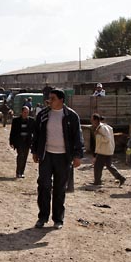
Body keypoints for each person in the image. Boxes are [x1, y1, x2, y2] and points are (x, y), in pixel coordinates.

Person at [31, 89, 84, 229]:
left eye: (53, 98)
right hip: (46, 155)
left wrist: (78, 155)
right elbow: (36, 134)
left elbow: (77, 136)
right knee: (43, 186)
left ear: (61, 100)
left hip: (63, 157)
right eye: (49, 98)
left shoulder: (71, 116)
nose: (50, 101)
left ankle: (58, 219)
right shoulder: (43, 115)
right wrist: (35, 151)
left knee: (60, 188)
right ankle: (42, 217)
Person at [90, 114, 126, 187]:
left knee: (97, 166)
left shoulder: (102, 128)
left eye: (92, 119)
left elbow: (106, 139)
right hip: (108, 150)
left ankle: (97, 181)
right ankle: (120, 178)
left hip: (103, 151)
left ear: (96, 120)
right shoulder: (106, 127)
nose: (91, 121)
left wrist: (97, 135)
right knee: (109, 165)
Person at [9, 105, 36, 178]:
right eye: (24, 112)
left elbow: (35, 132)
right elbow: (13, 132)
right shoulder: (16, 120)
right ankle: (18, 172)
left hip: (27, 142)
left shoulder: (32, 121)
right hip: (19, 141)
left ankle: (22, 172)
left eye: (27, 112)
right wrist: (11, 142)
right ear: (22, 112)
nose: (26, 114)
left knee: (25, 157)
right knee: (20, 156)